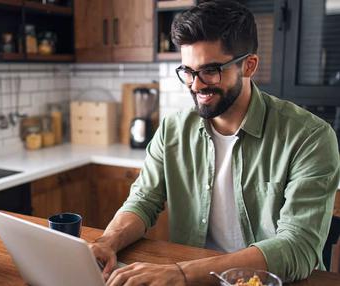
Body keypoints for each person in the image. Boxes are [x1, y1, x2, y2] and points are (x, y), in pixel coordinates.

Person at [90, 1, 340, 285]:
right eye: (188, 71)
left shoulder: (310, 137)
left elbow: (298, 248)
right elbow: (143, 200)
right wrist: (108, 241)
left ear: (249, 65)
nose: (195, 85)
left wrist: (182, 273)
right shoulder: (173, 130)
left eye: (210, 71)